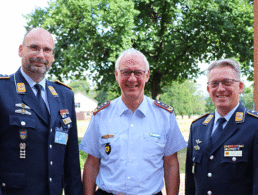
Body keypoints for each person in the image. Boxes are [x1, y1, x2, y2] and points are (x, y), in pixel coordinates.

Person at [80, 48, 186, 195]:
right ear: (116, 75)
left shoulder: (164, 116)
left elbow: (171, 164)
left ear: (147, 75)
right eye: (126, 72)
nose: (132, 79)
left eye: (138, 72)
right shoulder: (101, 115)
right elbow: (91, 163)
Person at [0, 28, 83, 195]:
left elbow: (72, 162)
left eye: (47, 50)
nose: (40, 55)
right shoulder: (3, 90)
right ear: (20, 50)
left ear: (52, 56)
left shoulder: (64, 95)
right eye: (34, 47)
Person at [185, 58, 258, 195]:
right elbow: (191, 182)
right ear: (208, 89)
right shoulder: (198, 127)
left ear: (240, 87)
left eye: (227, 82)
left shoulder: (254, 126)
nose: (220, 88)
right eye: (214, 84)